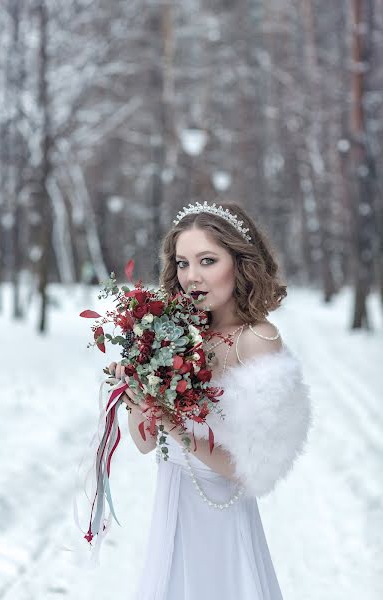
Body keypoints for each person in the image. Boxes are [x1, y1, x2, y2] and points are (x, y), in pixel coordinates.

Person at [108, 201, 312, 600]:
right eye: (183, 263)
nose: (192, 277)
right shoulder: (174, 335)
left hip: (221, 517)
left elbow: (248, 469)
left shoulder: (256, 340)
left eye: (207, 260)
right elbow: (145, 443)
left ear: (240, 263)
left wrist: (172, 424)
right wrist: (136, 393)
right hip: (173, 509)